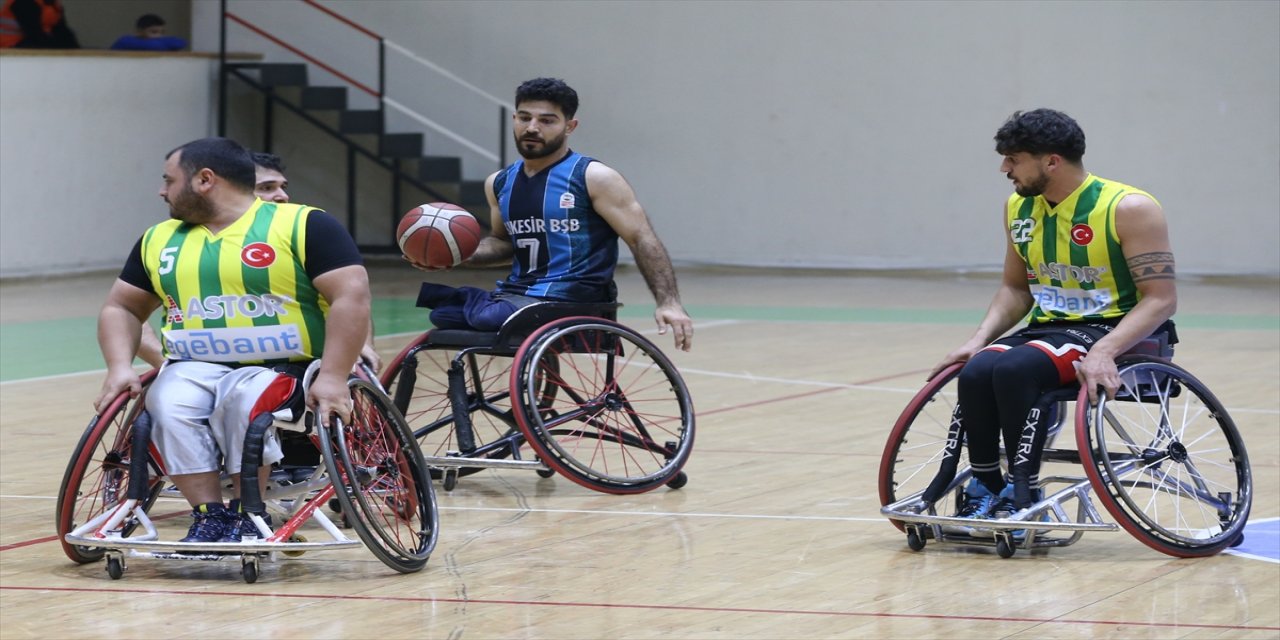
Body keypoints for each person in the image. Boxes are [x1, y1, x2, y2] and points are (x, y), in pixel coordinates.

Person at [95, 137, 372, 543]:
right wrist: (119, 367)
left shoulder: (304, 224)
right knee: (165, 403)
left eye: (169, 180)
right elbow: (121, 308)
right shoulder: (159, 239)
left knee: (246, 403)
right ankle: (209, 515)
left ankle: (248, 513)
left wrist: (333, 376)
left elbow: (351, 296)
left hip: (286, 367)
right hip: (193, 366)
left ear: (205, 179)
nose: (161, 190)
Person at [928, 108, 1177, 532]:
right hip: (1050, 327)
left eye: (1013, 158)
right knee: (977, 370)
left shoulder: (1128, 208)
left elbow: (1161, 300)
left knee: (1014, 369)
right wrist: (978, 339)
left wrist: (1105, 351)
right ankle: (987, 486)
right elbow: (1016, 289)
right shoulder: (1019, 208)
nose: (1004, 168)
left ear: (1051, 161)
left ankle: (1023, 490)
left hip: (1114, 329)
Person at [410, 77, 693, 352]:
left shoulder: (594, 177)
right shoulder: (499, 183)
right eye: (524, 118)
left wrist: (669, 301)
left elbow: (641, 237)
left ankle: (483, 303)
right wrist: (453, 254)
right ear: (514, 119)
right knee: (443, 316)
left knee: (485, 316)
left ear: (569, 126)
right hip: (519, 296)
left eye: (546, 120)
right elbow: (504, 244)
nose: (532, 127)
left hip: (572, 298)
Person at [136, 151, 382, 371]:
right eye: (267, 188)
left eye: (282, 186)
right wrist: (165, 364)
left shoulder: (304, 227)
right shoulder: (168, 238)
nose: (282, 196)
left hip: (303, 365)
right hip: (201, 372)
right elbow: (129, 311)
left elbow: (352, 296)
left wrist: (362, 344)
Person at [0, 0, 78, 49]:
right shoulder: (23, 3)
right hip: (10, 49)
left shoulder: (52, 4)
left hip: (34, 44)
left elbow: (62, 31)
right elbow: (35, 35)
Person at [109, 13, 186, 51]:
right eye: (154, 32)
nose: (159, 36)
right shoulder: (125, 41)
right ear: (139, 32)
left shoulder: (159, 41)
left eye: (162, 32)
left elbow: (180, 43)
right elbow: (155, 46)